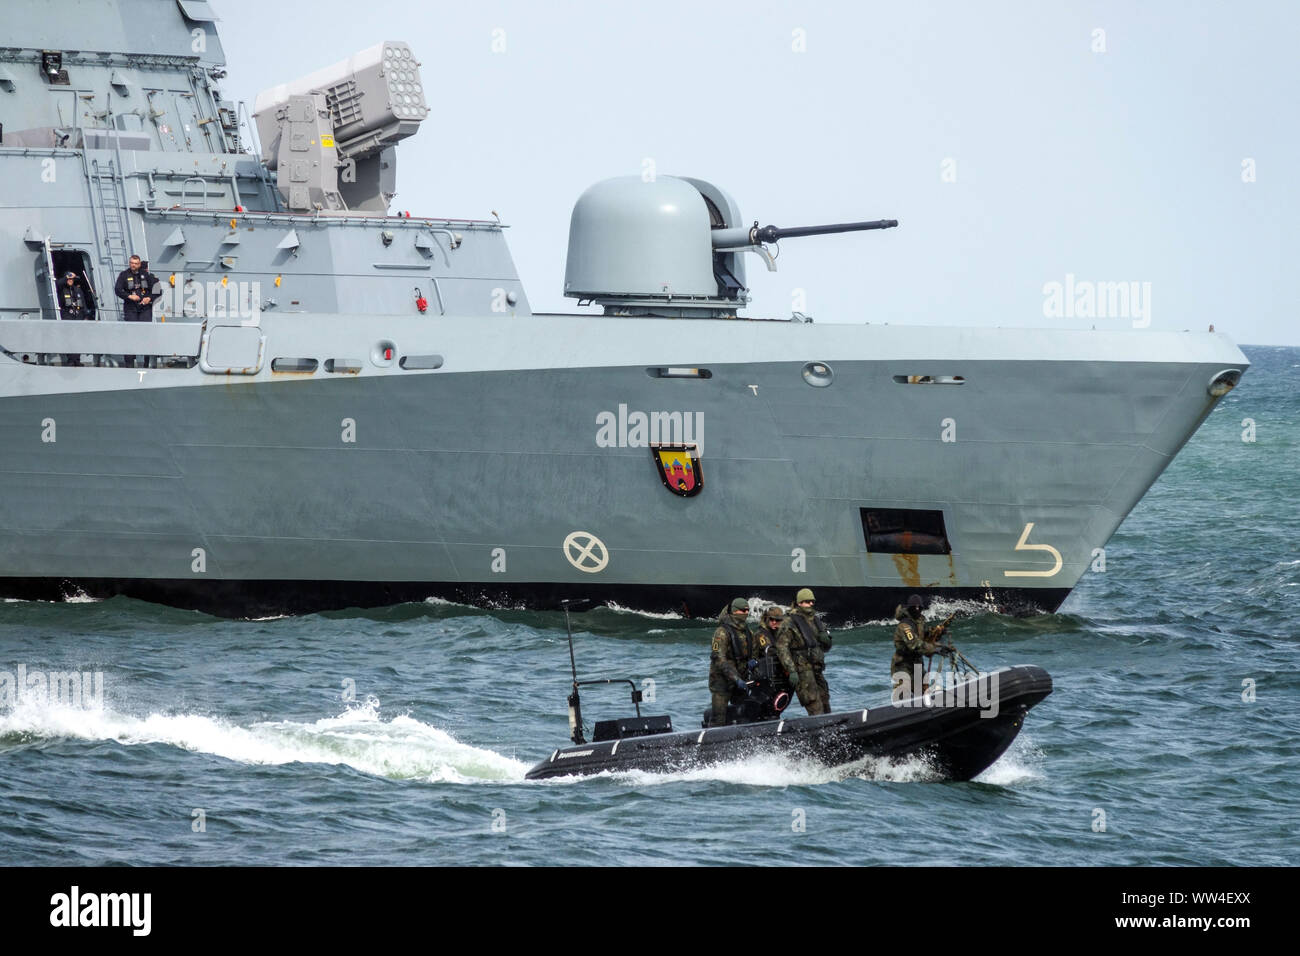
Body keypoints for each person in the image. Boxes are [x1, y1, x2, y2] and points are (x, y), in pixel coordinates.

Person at [708, 598, 766, 725]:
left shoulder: (748, 633)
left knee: (744, 713)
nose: (746, 613)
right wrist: (736, 679)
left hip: (741, 679)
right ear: (734, 611)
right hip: (721, 681)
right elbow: (719, 659)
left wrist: (754, 663)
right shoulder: (722, 632)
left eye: (747, 610)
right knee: (718, 717)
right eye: (742, 610)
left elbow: (754, 653)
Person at [775, 588, 832, 715]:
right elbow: (782, 648)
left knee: (825, 701)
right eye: (807, 601)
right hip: (802, 671)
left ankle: (831, 730)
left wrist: (827, 640)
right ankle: (819, 731)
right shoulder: (789, 623)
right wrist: (791, 671)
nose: (810, 604)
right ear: (799, 603)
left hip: (817, 668)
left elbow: (826, 648)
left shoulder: (817, 621)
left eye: (812, 601)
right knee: (814, 704)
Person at [891, 594, 952, 701]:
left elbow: (925, 636)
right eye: (914, 607)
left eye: (919, 608)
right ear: (909, 609)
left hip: (917, 664)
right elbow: (915, 644)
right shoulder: (904, 626)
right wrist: (935, 649)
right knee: (903, 696)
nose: (917, 610)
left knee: (926, 693)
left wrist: (938, 634)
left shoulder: (919, 622)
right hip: (903, 665)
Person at [114, 254, 159, 368]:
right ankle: (129, 364)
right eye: (131, 263)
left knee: (146, 335)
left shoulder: (146, 275)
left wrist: (149, 298)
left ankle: (147, 363)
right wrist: (129, 296)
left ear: (139, 264)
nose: (133, 265)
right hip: (131, 309)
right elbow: (118, 290)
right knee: (131, 335)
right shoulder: (124, 275)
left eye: (135, 263)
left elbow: (157, 289)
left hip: (145, 309)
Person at [57, 271, 87, 367]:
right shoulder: (62, 289)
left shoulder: (77, 290)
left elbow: (83, 303)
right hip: (67, 315)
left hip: (78, 316)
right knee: (69, 338)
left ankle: (77, 359)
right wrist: (67, 276)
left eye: (72, 279)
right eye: (69, 279)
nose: (70, 281)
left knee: (78, 339)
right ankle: (70, 359)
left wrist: (86, 316)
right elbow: (58, 283)